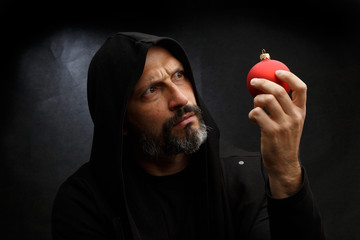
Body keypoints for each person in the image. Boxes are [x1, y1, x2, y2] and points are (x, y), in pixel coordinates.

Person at [52, 32, 325, 240]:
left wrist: (285, 169)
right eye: (151, 90)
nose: (180, 98)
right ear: (120, 120)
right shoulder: (83, 201)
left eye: (179, 75)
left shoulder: (251, 176)